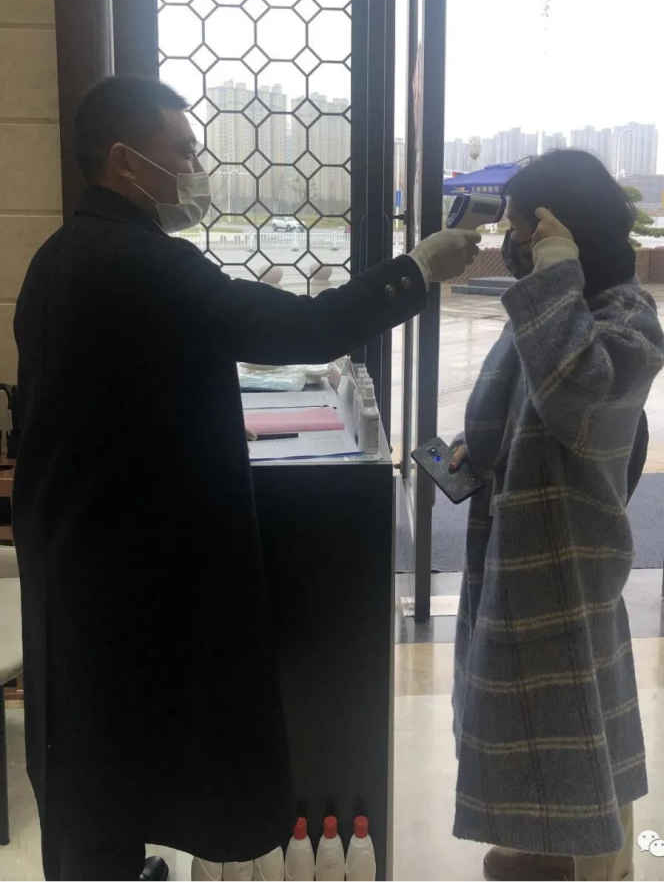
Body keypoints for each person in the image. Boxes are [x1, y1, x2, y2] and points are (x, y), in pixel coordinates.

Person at [11, 75, 480, 881]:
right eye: (182, 151)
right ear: (124, 162)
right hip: (122, 568)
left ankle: (115, 861)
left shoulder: (61, 255)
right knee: (114, 749)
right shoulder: (141, 263)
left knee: (96, 757)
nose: (195, 168)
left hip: (80, 553)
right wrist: (416, 269)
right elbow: (300, 328)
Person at [447, 150, 664, 881]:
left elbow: (576, 390)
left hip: (569, 566)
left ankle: (598, 869)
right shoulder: (553, 306)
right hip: (514, 552)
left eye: (521, 227)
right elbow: (519, 406)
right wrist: (479, 448)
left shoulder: (626, 317)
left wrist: (555, 273)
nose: (512, 243)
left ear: (563, 231)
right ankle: (534, 852)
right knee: (525, 730)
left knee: (578, 732)